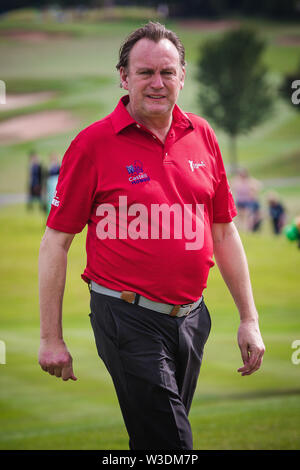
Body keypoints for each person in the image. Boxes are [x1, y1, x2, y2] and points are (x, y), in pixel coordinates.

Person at [38, 22, 265, 450]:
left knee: (153, 443)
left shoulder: (203, 136)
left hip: (191, 319)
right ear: (124, 77)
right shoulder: (92, 145)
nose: (157, 83)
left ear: (183, 76)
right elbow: (55, 243)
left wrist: (249, 319)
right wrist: (52, 339)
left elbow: (224, 230)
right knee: (171, 443)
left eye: (167, 71)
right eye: (145, 73)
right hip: (126, 316)